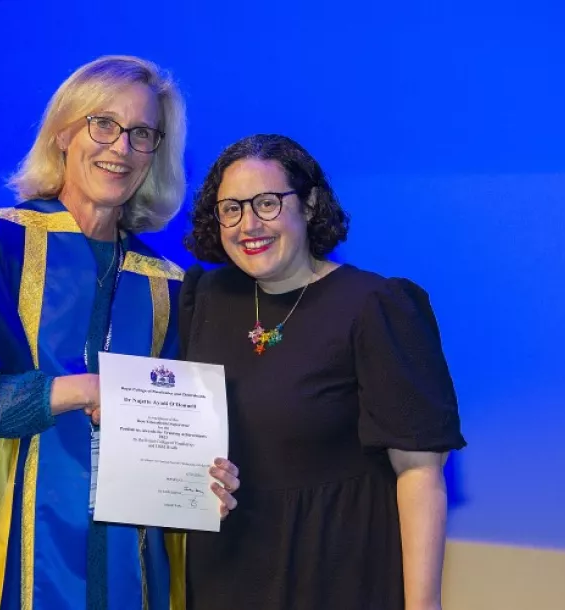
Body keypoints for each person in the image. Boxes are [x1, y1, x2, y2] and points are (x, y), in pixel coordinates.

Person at [0, 55, 239, 610]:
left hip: (132, 571)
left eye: (141, 133)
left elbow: (175, 435)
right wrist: (81, 390)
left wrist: (204, 481)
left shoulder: (170, 286)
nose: (120, 148)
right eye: (102, 124)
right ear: (63, 132)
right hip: (14, 563)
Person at [179, 134, 466, 610]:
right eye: (230, 208)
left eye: (267, 203)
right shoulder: (202, 298)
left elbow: (419, 472)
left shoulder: (375, 305)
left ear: (309, 205)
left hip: (335, 568)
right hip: (226, 569)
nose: (248, 223)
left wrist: (423, 605)